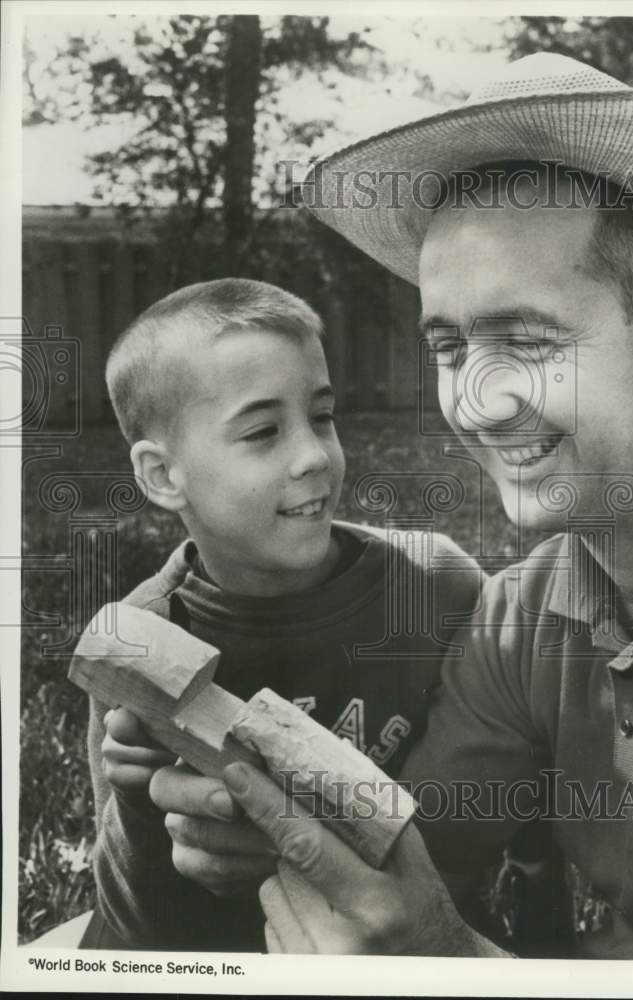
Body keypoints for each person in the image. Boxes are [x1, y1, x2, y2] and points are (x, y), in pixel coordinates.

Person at [214, 52, 633, 959]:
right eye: (449, 345)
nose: (477, 402)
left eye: (525, 338)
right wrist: (261, 829)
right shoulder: (527, 612)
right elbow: (415, 862)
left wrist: (445, 956)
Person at [78, 277, 484, 951]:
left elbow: (514, 824)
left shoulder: (435, 588)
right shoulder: (140, 636)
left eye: (321, 416)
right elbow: (132, 926)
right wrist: (140, 807)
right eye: (264, 431)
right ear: (161, 475)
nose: (314, 455)